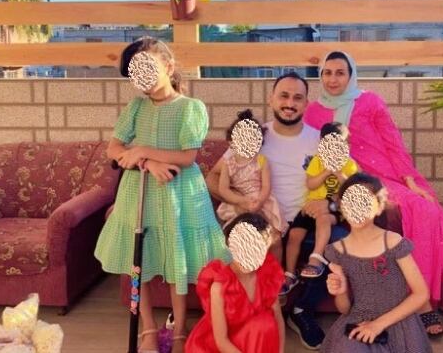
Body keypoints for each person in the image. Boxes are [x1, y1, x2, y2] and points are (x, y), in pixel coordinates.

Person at [303, 51, 443, 338]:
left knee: (431, 212)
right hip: (345, 179)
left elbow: (393, 142)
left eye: (339, 72)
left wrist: (410, 181)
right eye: (327, 73)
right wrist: (313, 194)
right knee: (401, 212)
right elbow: (309, 156)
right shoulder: (313, 112)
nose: (333, 79)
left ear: (351, 74)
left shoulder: (369, 101)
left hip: (383, 175)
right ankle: (422, 306)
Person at [94, 37, 229, 353]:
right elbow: (114, 149)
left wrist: (140, 150)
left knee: (175, 261)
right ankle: (149, 330)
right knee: (138, 259)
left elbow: (187, 157)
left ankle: (179, 329)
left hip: (178, 194)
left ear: (167, 66)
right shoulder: (136, 107)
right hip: (138, 193)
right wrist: (147, 160)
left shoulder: (190, 108)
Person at [206, 72, 343, 350]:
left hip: (307, 222)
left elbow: (343, 183)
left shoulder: (320, 140)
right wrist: (242, 203)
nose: (289, 103)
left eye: (297, 98)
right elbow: (212, 178)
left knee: (341, 239)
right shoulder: (255, 137)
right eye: (284, 95)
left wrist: (329, 205)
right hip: (262, 221)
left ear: (306, 104)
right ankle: (239, 316)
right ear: (271, 99)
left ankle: (302, 309)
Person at [321, 173, 432, 353]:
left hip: (398, 323)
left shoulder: (393, 243)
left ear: (379, 206)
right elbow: (344, 308)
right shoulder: (338, 250)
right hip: (358, 320)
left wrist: (378, 325)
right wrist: (340, 292)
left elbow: (421, 294)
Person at [185, 213, 285, 353]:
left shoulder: (266, 275)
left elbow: (278, 320)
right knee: (259, 326)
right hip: (223, 347)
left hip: (254, 338)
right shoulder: (220, 286)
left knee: (264, 323)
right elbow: (221, 341)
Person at [282, 121, 359, 294]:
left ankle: (316, 258)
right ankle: (289, 274)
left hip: (333, 210)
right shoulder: (317, 161)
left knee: (324, 219)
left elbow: (351, 188)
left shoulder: (349, 164)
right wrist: (326, 171)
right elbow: (310, 184)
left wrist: (338, 172)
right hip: (310, 208)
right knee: (294, 234)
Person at [216, 109, 286, 260]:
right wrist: (241, 201)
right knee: (238, 237)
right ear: (231, 142)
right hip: (238, 201)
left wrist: (259, 201)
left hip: (261, 201)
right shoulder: (228, 163)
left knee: (275, 238)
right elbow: (223, 189)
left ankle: (276, 272)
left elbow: (266, 186)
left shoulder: (261, 161)